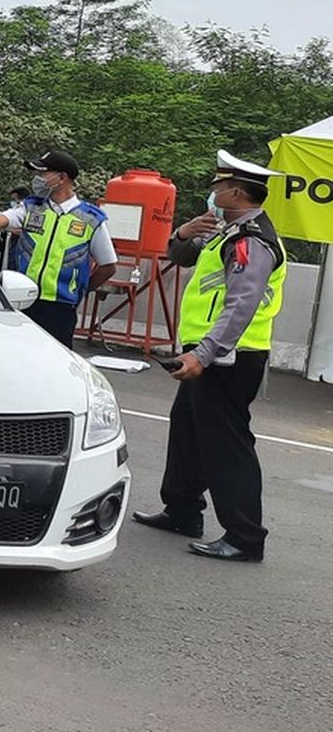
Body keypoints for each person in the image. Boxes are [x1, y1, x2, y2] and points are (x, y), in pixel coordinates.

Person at [133, 150, 288, 563]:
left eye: (219, 185)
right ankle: (183, 510)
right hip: (209, 353)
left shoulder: (251, 242)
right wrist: (183, 232)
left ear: (236, 192)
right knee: (187, 429)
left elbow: (242, 304)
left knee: (227, 444)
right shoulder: (226, 231)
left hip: (228, 357)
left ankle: (244, 536)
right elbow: (180, 257)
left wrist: (204, 354)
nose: (213, 191)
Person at [0, 151, 118, 348]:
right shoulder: (32, 208)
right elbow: (3, 219)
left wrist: (81, 290)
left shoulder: (91, 219)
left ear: (61, 178)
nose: (38, 180)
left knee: (55, 362)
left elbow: (108, 266)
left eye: (43, 174)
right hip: (23, 300)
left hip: (61, 307)